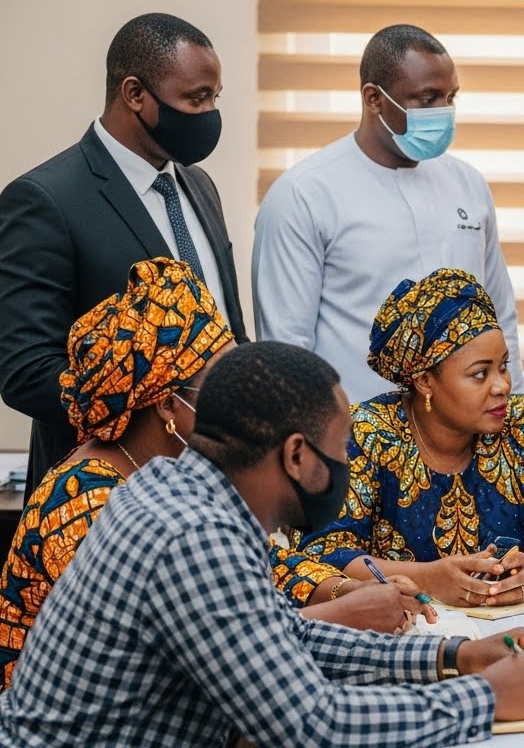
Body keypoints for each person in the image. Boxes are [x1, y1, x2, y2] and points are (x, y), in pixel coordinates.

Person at [0, 341, 524, 745]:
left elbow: (287, 636)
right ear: (296, 454)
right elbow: (311, 725)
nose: (346, 464)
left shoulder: (182, 490)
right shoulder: (193, 537)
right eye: (340, 448)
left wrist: (454, 656)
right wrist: (487, 697)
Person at [0, 259, 421, 689]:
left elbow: (259, 563)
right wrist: (345, 614)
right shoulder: (86, 506)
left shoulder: (176, 473)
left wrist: (339, 589)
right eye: (221, 385)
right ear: (167, 405)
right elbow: (208, 649)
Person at [0, 13, 249, 493]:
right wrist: (159, 413)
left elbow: (224, 327)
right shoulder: (45, 199)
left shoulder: (199, 185)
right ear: (135, 94)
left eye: (215, 98)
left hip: (212, 480)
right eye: (196, 98)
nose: (209, 114)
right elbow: (26, 371)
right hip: (105, 490)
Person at [294, 269, 524, 607]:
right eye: (480, 374)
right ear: (425, 381)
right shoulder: (366, 434)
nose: (502, 386)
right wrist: (427, 577)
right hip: (398, 629)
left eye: (503, 366)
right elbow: (322, 553)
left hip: (515, 625)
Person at [253, 23, 523, 403]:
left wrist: (513, 413)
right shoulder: (304, 194)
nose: (443, 112)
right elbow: (287, 349)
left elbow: (500, 316)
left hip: (465, 432)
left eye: (450, 97)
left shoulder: (469, 184)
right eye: (427, 99)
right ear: (373, 98)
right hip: (354, 431)